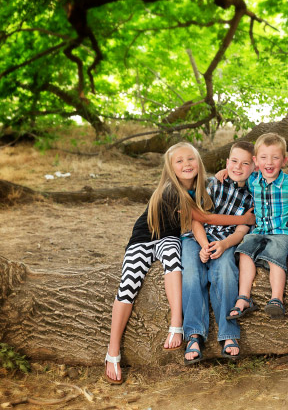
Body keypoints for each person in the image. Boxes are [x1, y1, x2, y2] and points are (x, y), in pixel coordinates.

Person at [105, 142, 249, 384]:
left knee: (174, 261)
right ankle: (112, 351)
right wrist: (245, 218)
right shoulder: (171, 190)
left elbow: (232, 177)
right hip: (144, 239)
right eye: (179, 161)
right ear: (170, 168)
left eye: (190, 159)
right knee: (128, 286)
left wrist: (224, 172)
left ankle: (176, 324)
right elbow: (204, 217)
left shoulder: (205, 185)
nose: (186, 165)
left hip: (170, 239)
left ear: (199, 163)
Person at [182, 141, 256, 366]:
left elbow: (243, 229)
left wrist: (224, 245)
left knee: (224, 271)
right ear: (226, 162)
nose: (238, 167)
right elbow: (197, 218)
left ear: (255, 167)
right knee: (192, 274)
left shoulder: (254, 194)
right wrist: (204, 245)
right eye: (233, 161)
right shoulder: (214, 184)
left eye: (245, 163)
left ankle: (228, 333)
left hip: (227, 240)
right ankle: (194, 334)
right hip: (197, 237)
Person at [231, 133, 288, 320]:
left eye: (275, 157)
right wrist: (222, 172)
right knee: (244, 252)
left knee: (275, 254)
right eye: (263, 157)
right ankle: (243, 298)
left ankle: (276, 299)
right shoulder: (252, 181)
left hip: (282, 232)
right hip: (259, 230)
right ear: (255, 161)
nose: (269, 162)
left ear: (284, 160)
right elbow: (236, 174)